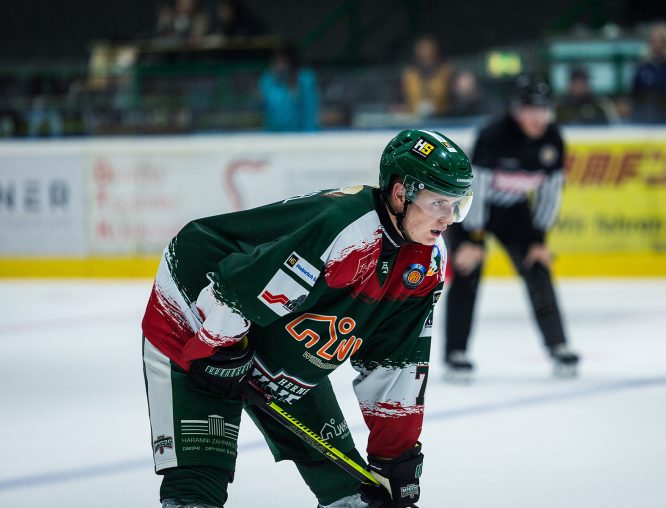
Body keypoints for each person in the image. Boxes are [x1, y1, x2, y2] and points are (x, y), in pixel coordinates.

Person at [141, 129, 474, 508]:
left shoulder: (427, 262)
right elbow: (243, 286)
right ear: (401, 193)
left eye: (456, 205)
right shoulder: (347, 230)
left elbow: (397, 361)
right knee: (198, 487)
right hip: (195, 313)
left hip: (282, 348)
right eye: (438, 204)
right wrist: (216, 347)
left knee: (356, 496)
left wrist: (394, 457)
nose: (449, 219)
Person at [443, 75, 579, 381]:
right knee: (467, 272)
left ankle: (558, 345)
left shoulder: (553, 139)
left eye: (544, 110)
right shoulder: (493, 136)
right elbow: (474, 189)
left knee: (537, 269)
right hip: (472, 209)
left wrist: (538, 239)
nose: (538, 118)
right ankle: (456, 352)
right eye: (531, 110)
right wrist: (473, 239)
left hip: (516, 210)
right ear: (516, 111)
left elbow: (551, 191)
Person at [258, 42, 319, 132]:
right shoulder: (268, 80)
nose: (279, 64)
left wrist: (310, 137)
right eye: (276, 60)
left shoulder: (305, 79)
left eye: (282, 60)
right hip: (274, 134)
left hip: (299, 134)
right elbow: (263, 106)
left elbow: (309, 110)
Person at [400, 35, 454, 118]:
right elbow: (399, 100)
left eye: (429, 49)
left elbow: (453, 98)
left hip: (442, 118)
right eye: (422, 49)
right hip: (413, 118)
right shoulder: (408, 75)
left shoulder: (446, 72)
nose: (425, 52)